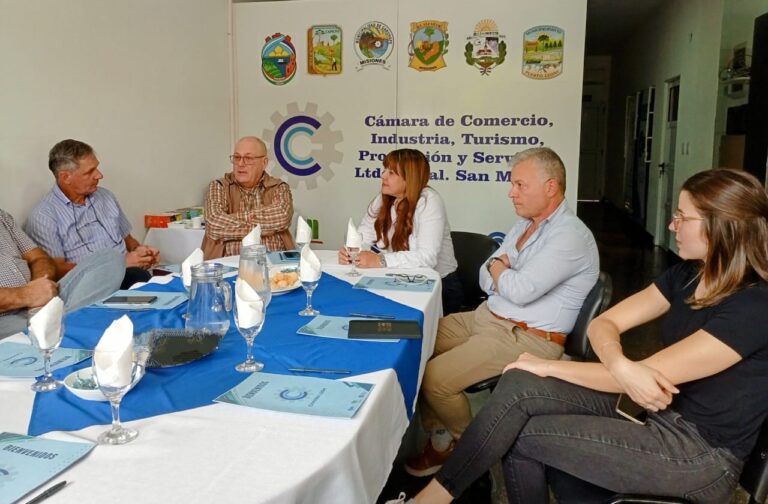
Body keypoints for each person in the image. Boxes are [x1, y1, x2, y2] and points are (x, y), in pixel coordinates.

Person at [392, 168, 768, 504]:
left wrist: (548, 366)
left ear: (723, 226)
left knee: (521, 435)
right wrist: (620, 362)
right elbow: (602, 325)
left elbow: (653, 373)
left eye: (682, 217)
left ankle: (434, 498)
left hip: (696, 453)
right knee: (521, 383)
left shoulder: (754, 305)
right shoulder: (687, 274)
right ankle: (438, 496)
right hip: (655, 410)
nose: (671, 226)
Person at [404, 147, 599, 477]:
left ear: (551, 187)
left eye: (520, 185)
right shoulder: (525, 224)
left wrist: (500, 272)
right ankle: (441, 440)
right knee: (412, 341)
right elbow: (487, 274)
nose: (511, 193)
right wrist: (500, 270)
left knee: (436, 378)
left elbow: (521, 292)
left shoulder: (570, 235)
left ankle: (470, 455)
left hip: (526, 335)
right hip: (488, 316)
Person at [337, 148, 463, 314]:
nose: (383, 176)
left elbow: (427, 257)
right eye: (384, 170)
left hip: (439, 288)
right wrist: (353, 252)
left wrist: (380, 261)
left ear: (409, 178)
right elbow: (364, 235)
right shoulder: (385, 197)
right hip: (397, 279)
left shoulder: (429, 201)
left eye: (391, 172)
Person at [25, 139, 159, 290]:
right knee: (142, 280)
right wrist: (119, 265)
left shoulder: (106, 196)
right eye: (90, 172)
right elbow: (57, 271)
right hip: (90, 286)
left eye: (97, 168)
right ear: (65, 177)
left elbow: (128, 240)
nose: (99, 175)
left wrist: (142, 252)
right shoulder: (43, 216)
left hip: (130, 273)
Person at [0, 208, 124, 338]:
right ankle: (73, 325)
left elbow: (39, 258)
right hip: (6, 318)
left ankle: (68, 325)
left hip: (42, 300)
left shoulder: (2, 217)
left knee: (109, 257)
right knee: (46, 330)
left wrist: (40, 289)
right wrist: (27, 295)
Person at [203, 136, 294, 259]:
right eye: (237, 157)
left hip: (274, 262)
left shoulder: (279, 187)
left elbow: (282, 217)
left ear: (264, 163)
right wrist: (258, 230)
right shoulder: (218, 186)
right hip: (227, 265)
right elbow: (214, 225)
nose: (240, 164)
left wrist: (233, 218)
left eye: (248, 158)